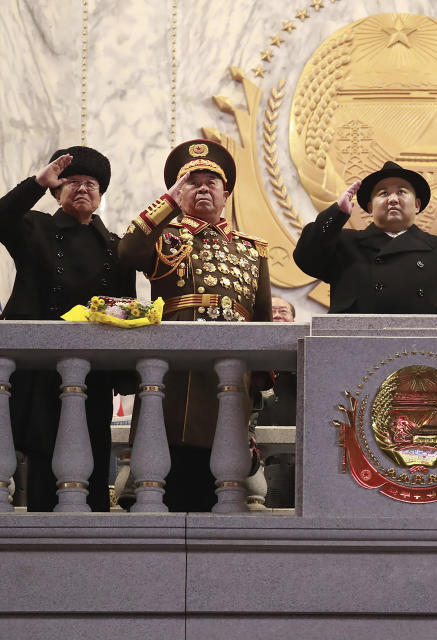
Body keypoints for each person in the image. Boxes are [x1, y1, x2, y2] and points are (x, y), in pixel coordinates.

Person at [118, 139, 271, 511]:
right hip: (177, 380)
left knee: (221, 489)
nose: (203, 188)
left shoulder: (252, 248)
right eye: (192, 182)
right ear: (179, 191)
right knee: (168, 480)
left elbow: (262, 315)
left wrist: (261, 379)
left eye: (211, 182)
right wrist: (166, 203)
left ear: (226, 193)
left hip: (230, 378)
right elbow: (127, 252)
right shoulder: (166, 237)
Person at [0, 146, 136, 511]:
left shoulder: (116, 247)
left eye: (90, 183)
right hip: (41, 364)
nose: (82, 189)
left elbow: (126, 307)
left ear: (100, 195)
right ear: (57, 192)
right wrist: (35, 182)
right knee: (44, 452)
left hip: (95, 370)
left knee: (94, 447)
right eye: (72, 182)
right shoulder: (35, 228)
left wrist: (125, 375)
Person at [292, 161, 437, 314]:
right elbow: (306, 257)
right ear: (369, 207)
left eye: (401, 192)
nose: (392, 199)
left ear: (417, 205)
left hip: (423, 348)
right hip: (355, 346)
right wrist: (337, 213)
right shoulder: (344, 243)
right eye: (383, 193)